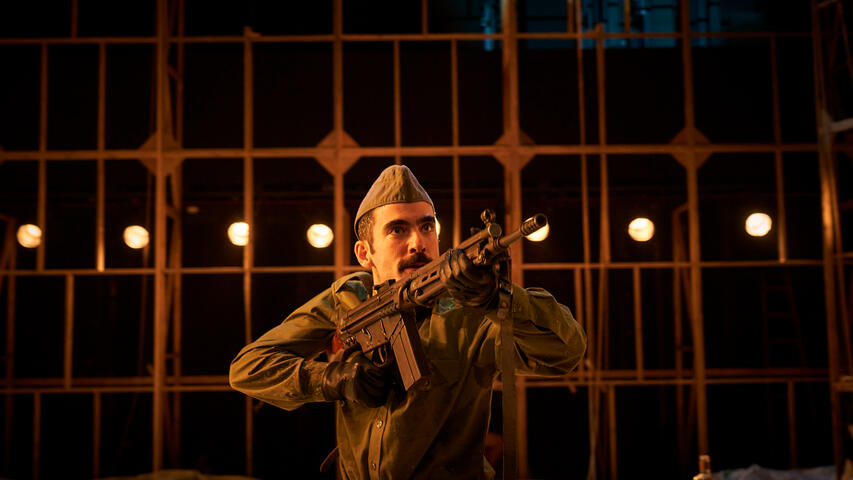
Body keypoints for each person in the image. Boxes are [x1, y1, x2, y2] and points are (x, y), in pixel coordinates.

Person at [229, 165, 586, 479]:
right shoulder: (348, 299)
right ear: (364, 253)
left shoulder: (471, 311)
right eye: (398, 230)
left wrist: (497, 298)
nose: (418, 243)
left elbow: (567, 350)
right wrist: (331, 379)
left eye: (427, 226)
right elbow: (248, 368)